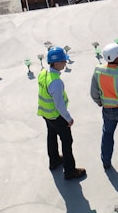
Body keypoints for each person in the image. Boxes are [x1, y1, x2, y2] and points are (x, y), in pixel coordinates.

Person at [37, 46, 86, 180]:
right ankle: (70, 170)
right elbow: (59, 105)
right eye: (64, 61)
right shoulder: (56, 82)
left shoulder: (43, 73)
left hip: (45, 113)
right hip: (56, 116)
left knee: (51, 136)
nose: (66, 63)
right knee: (67, 141)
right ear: (56, 63)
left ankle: (54, 161)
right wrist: (68, 119)